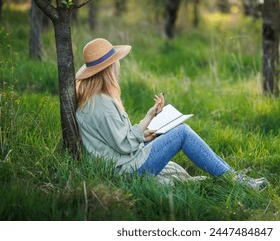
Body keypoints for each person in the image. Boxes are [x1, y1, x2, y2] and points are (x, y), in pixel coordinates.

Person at [75, 38, 267, 190]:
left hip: (122, 164)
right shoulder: (103, 104)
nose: (119, 66)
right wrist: (141, 135)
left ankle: (232, 175)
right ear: (109, 68)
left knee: (174, 130)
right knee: (182, 132)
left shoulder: (92, 99)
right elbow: (125, 145)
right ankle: (235, 180)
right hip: (127, 171)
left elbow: (117, 140)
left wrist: (148, 121)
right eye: (116, 62)